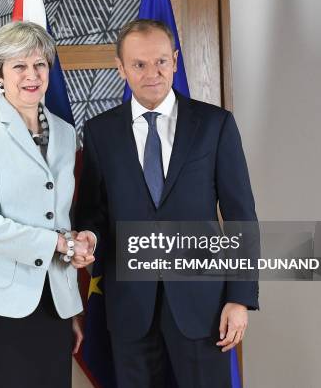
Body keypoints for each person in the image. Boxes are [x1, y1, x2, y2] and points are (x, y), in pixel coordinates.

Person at [75, 19, 259, 388]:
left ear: (175, 60)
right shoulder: (100, 132)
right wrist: (89, 238)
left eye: (161, 61)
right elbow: (92, 211)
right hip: (129, 306)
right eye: (139, 64)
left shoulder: (214, 125)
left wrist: (240, 298)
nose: (152, 73)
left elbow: (241, 216)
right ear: (121, 67)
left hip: (202, 306)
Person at [0, 21, 95, 388]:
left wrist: (74, 251)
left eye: (40, 65)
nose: (31, 75)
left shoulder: (64, 132)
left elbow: (56, 216)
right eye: (19, 67)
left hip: (52, 300)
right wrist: (56, 244)